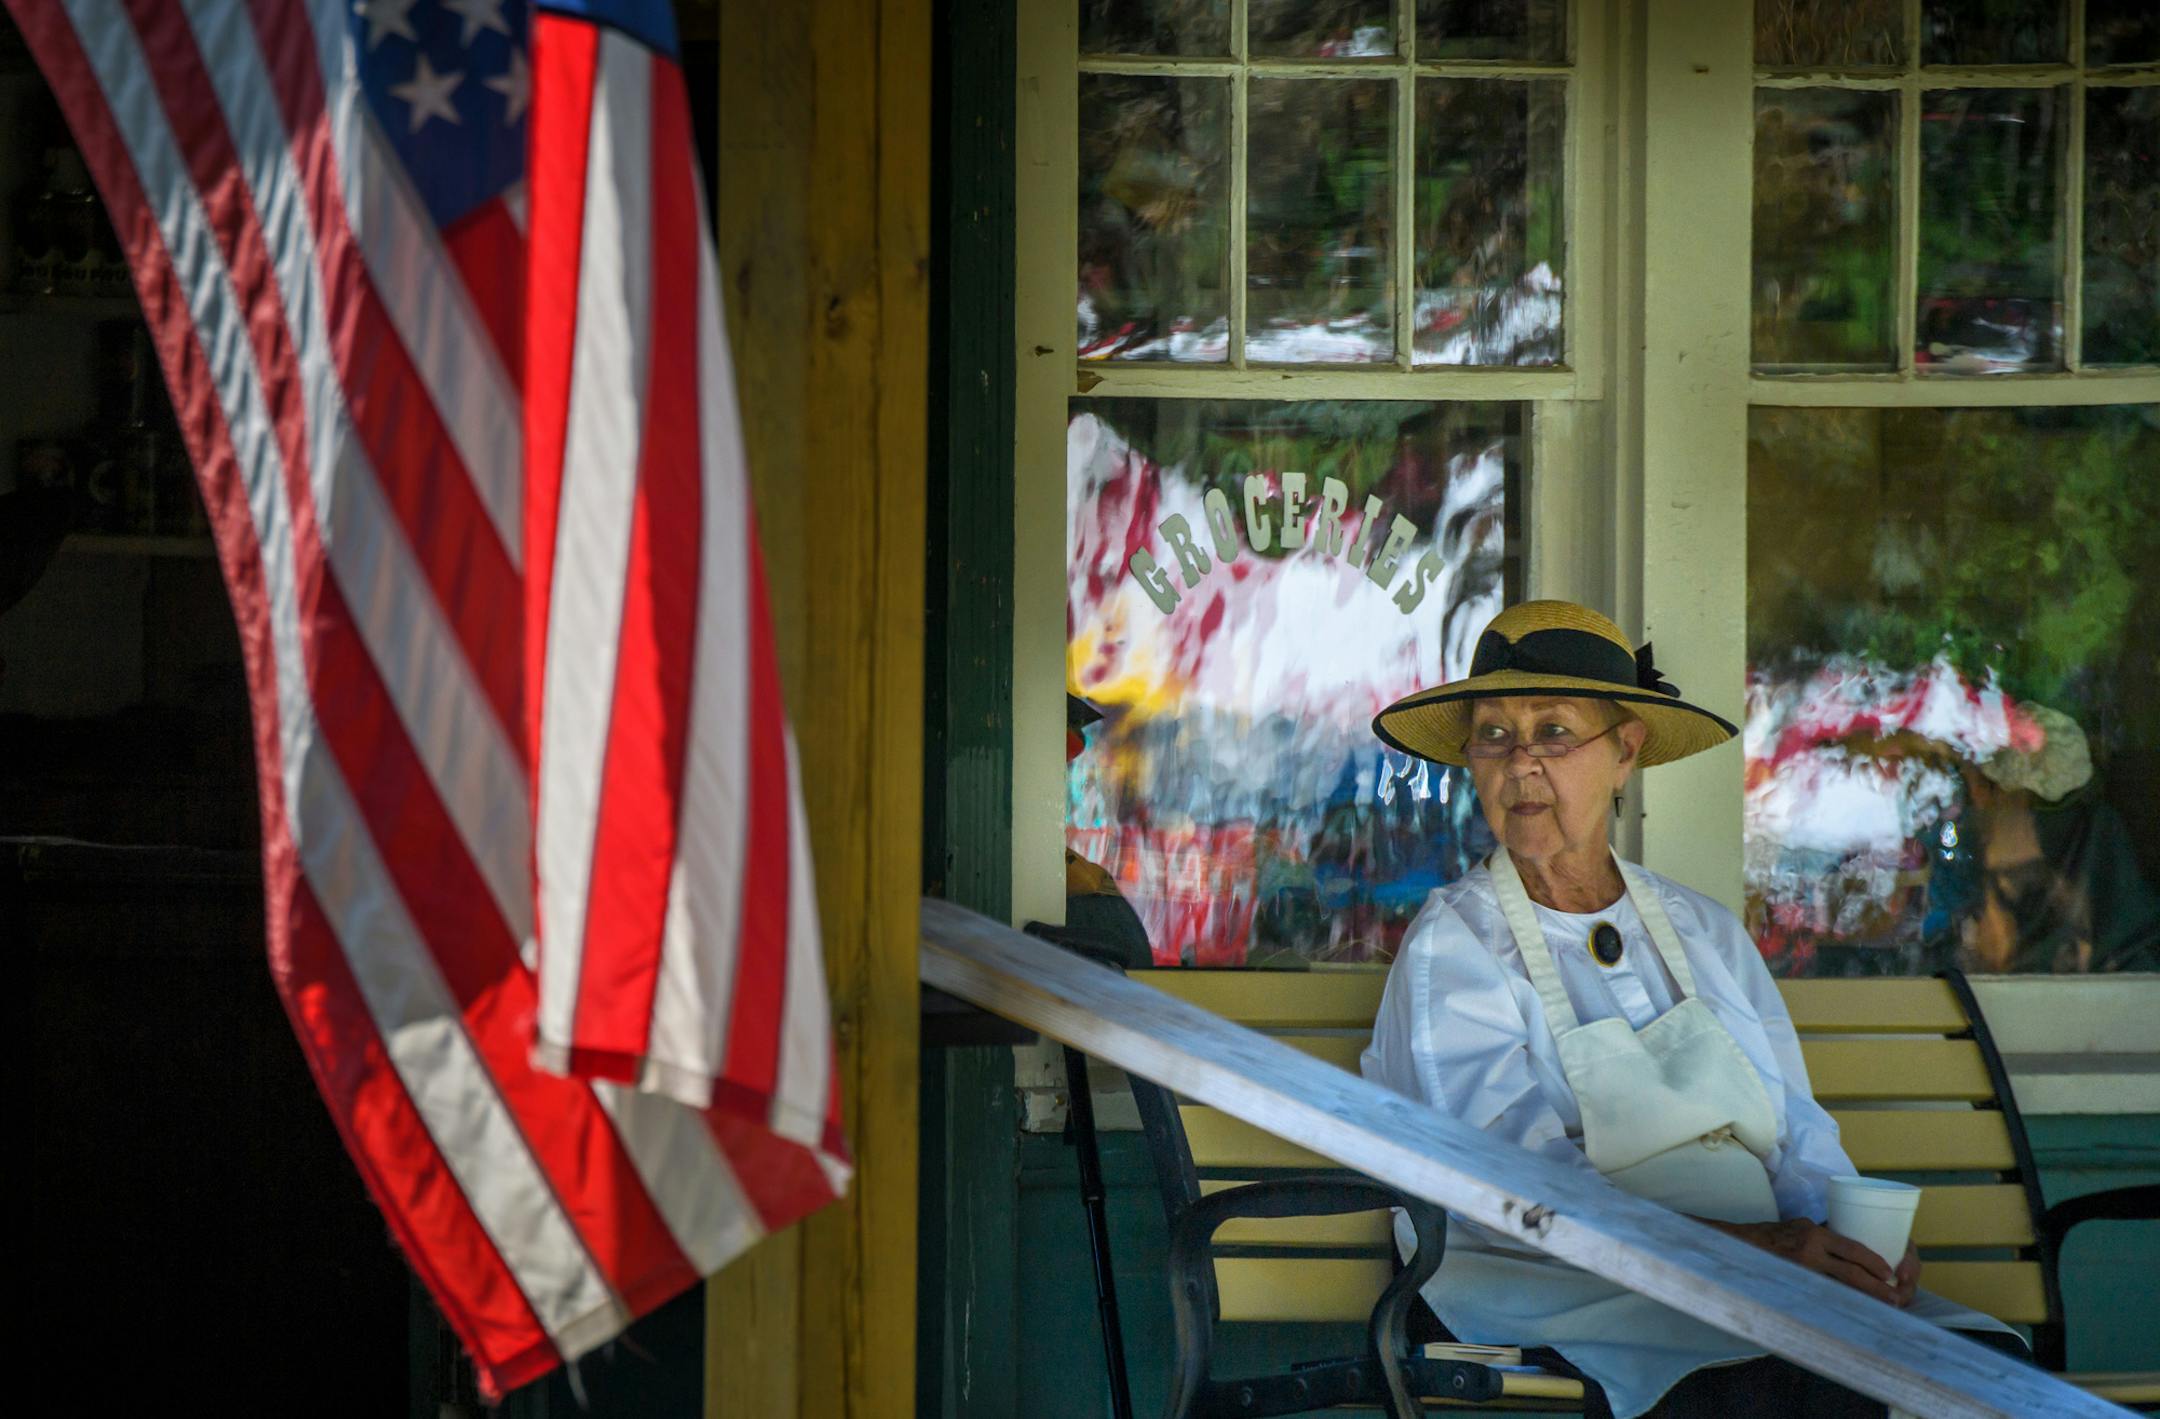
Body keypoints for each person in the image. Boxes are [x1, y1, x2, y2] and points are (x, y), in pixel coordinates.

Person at [1360, 601, 2027, 1419]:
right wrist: (1752, 1252)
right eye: (1494, 733)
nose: (1520, 762)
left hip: (1765, 1279)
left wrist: (1848, 1245)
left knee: (1982, 1372)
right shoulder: (1454, 944)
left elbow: (1800, 1133)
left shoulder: (1701, 929)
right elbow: (1512, 1190)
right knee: (1787, 1381)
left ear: (1625, 750)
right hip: (1563, 1284)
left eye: (1553, 731)